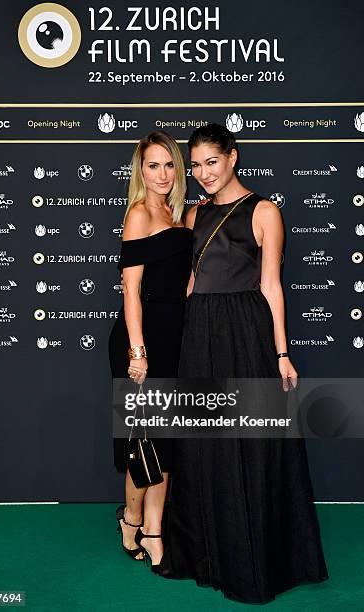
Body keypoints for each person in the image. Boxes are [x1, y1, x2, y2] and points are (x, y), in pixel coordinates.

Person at [164, 124, 328, 603]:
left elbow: (272, 287)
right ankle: (209, 553)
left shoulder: (264, 211)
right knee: (204, 443)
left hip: (245, 331)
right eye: (194, 165)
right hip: (200, 331)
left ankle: (255, 556)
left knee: (251, 439)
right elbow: (191, 284)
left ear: (233, 157)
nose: (202, 173)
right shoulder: (193, 215)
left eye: (211, 162)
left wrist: (281, 353)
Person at [108, 131, 192, 570]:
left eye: (168, 164)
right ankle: (132, 520)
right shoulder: (140, 214)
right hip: (142, 339)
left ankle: (155, 532)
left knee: (167, 443)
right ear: (140, 172)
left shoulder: (177, 215)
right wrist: (137, 351)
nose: (161, 173)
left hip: (175, 337)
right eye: (152, 165)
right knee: (145, 443)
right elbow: (131, 290)